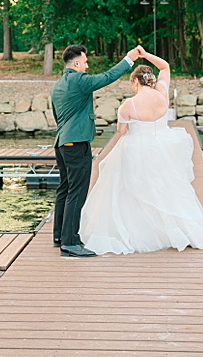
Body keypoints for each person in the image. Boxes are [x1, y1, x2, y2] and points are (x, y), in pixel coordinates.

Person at [80, 47, 203, 254]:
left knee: (132, 191)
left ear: (135, 82)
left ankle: (140, 232)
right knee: (164, 187)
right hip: (162, 146)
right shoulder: (162, 92)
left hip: (136, 148)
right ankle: (175, 231)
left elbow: (122, 131)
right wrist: (145, 55)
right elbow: (165, 66)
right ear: (149, 79)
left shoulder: (128, 105)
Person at [49, 43, 138, 257]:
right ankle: (70, 243)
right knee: (76, 192)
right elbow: (107, 77)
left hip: (62, 143)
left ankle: (60, 235)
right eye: (85, 62)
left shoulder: (58, 85)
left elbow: (57, 116)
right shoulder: (78, 80)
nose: (87, 66)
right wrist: (129, 59)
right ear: (77, 63)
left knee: (65, 189)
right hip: (76, 143)